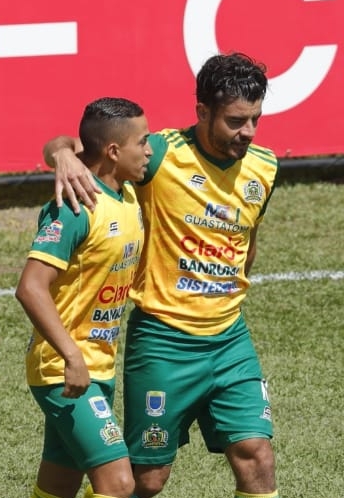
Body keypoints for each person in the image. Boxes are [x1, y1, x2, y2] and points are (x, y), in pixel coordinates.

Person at [44, 53, 279, 498]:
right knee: (147, 480)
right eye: (235, 121)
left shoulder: (265, 168)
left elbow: (248, 239)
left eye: (255, 120)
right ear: (203, 112)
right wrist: (60, 155)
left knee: (257, 455)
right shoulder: (161, 154)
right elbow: (74, 146)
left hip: (230, 340)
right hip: (163, 342)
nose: (247, 132)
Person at [15, 98, 152, 498]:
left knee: (59, 485)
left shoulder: (125, 193)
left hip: (98, 368)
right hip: (65, 370)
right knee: (119, 483)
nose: (149, 150)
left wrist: (60, 151)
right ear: (113, 151)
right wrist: (72, 356)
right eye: (142, 142)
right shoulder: (76, 206)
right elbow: (30, 287)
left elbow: (61, 144)